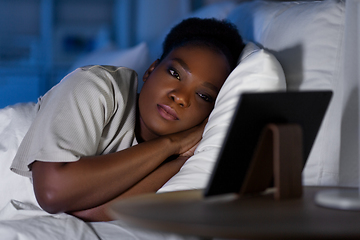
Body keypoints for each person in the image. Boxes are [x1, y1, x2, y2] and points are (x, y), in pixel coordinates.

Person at [10, 18, 244, 222]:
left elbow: (91, 212)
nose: (180, 97)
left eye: (204, 95)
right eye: (175, 73)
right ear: (151, 69)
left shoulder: (189, 157)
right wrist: (171, 143)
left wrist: (180, 158)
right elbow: (53, 192)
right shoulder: (95, 86)